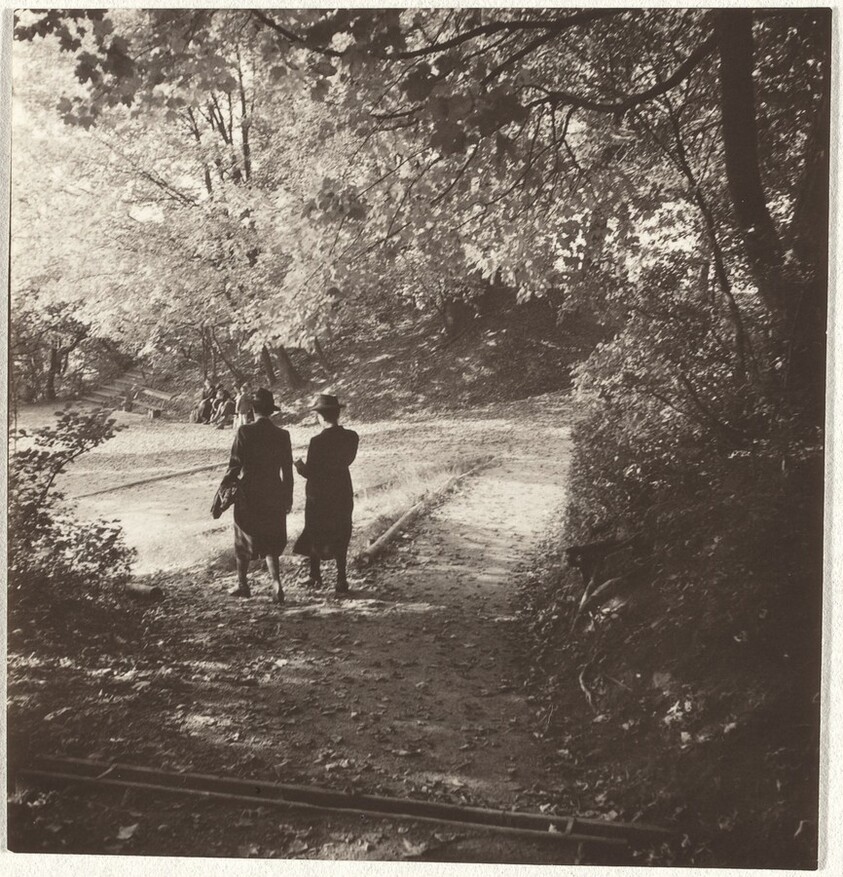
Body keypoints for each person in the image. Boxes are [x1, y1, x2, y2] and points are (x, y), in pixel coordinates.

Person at [222, 388, 293, 603]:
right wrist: (287, 497)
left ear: (252, 409)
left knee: (243, 536)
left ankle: (243, 584)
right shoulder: (283, 435)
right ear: (271, 411)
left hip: (249, 491)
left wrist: (225, 489)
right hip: (273, 490)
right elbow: (287, 471)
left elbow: (234, 466)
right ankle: (276, 584)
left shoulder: (244, 432)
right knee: (272, 537)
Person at [293, 394, 358, 595]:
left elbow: (311, 472)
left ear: (320, 417)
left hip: (319, 494)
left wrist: (298, 465)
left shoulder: (317, 441)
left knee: (314, 530)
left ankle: (315, 575)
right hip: (341, 490)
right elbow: (345, 461)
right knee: (341, 530)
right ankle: (341, 579)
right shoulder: (351, 437)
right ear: (338, 414)